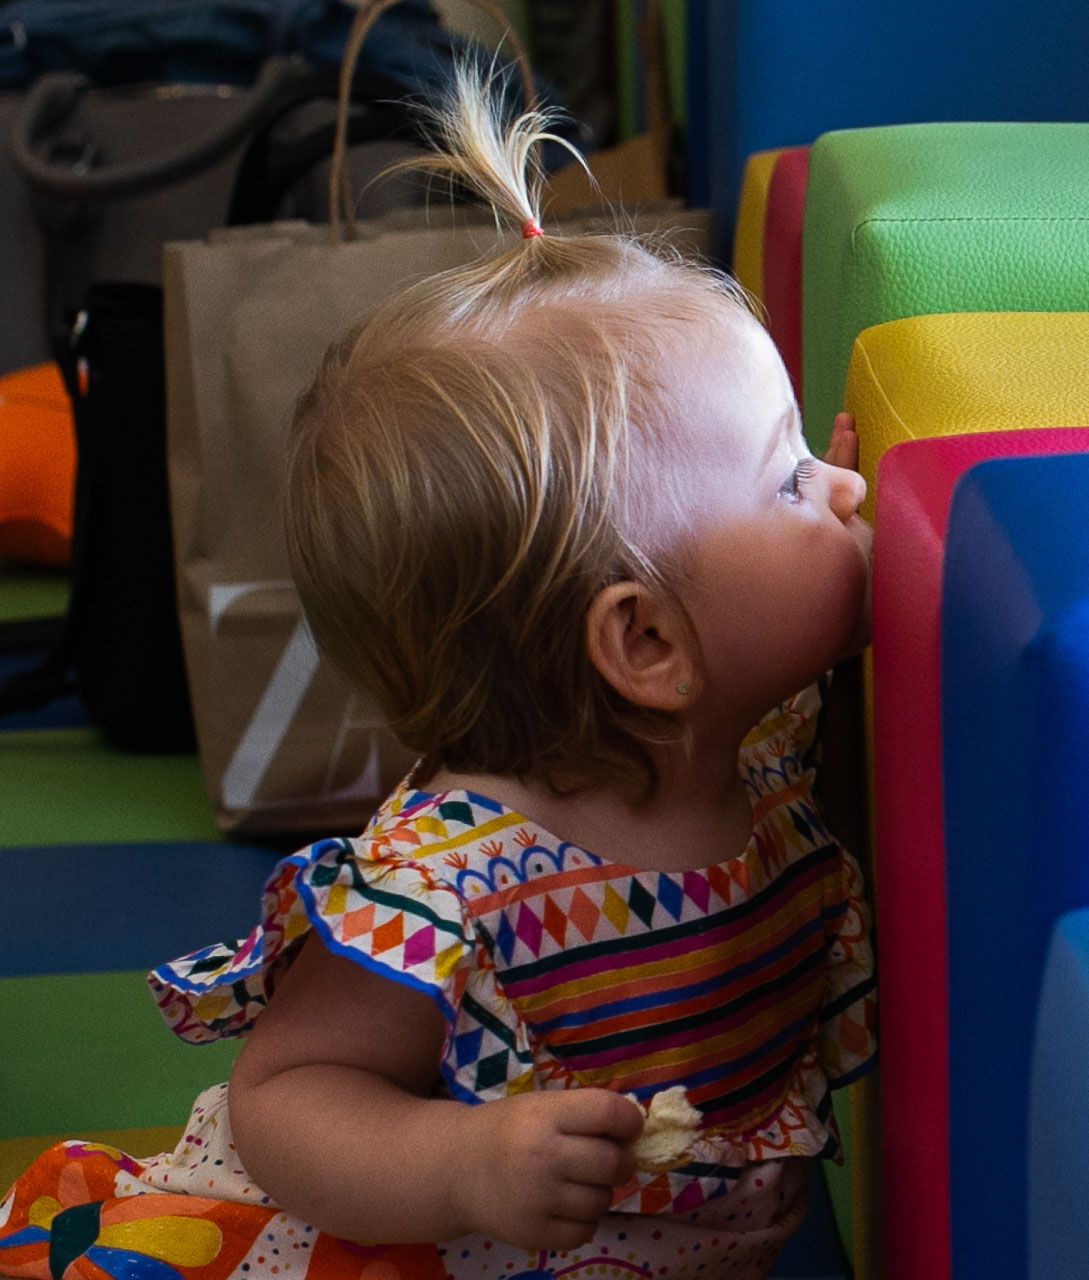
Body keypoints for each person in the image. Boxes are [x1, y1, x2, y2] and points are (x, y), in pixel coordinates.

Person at [0, 65, 875, 1280]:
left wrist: (814, 529)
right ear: (647, 645)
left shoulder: (762, 743)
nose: (849, 487)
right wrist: (462, 1161)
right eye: (791, 476)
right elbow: (288, 1091)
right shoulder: (456, 880)